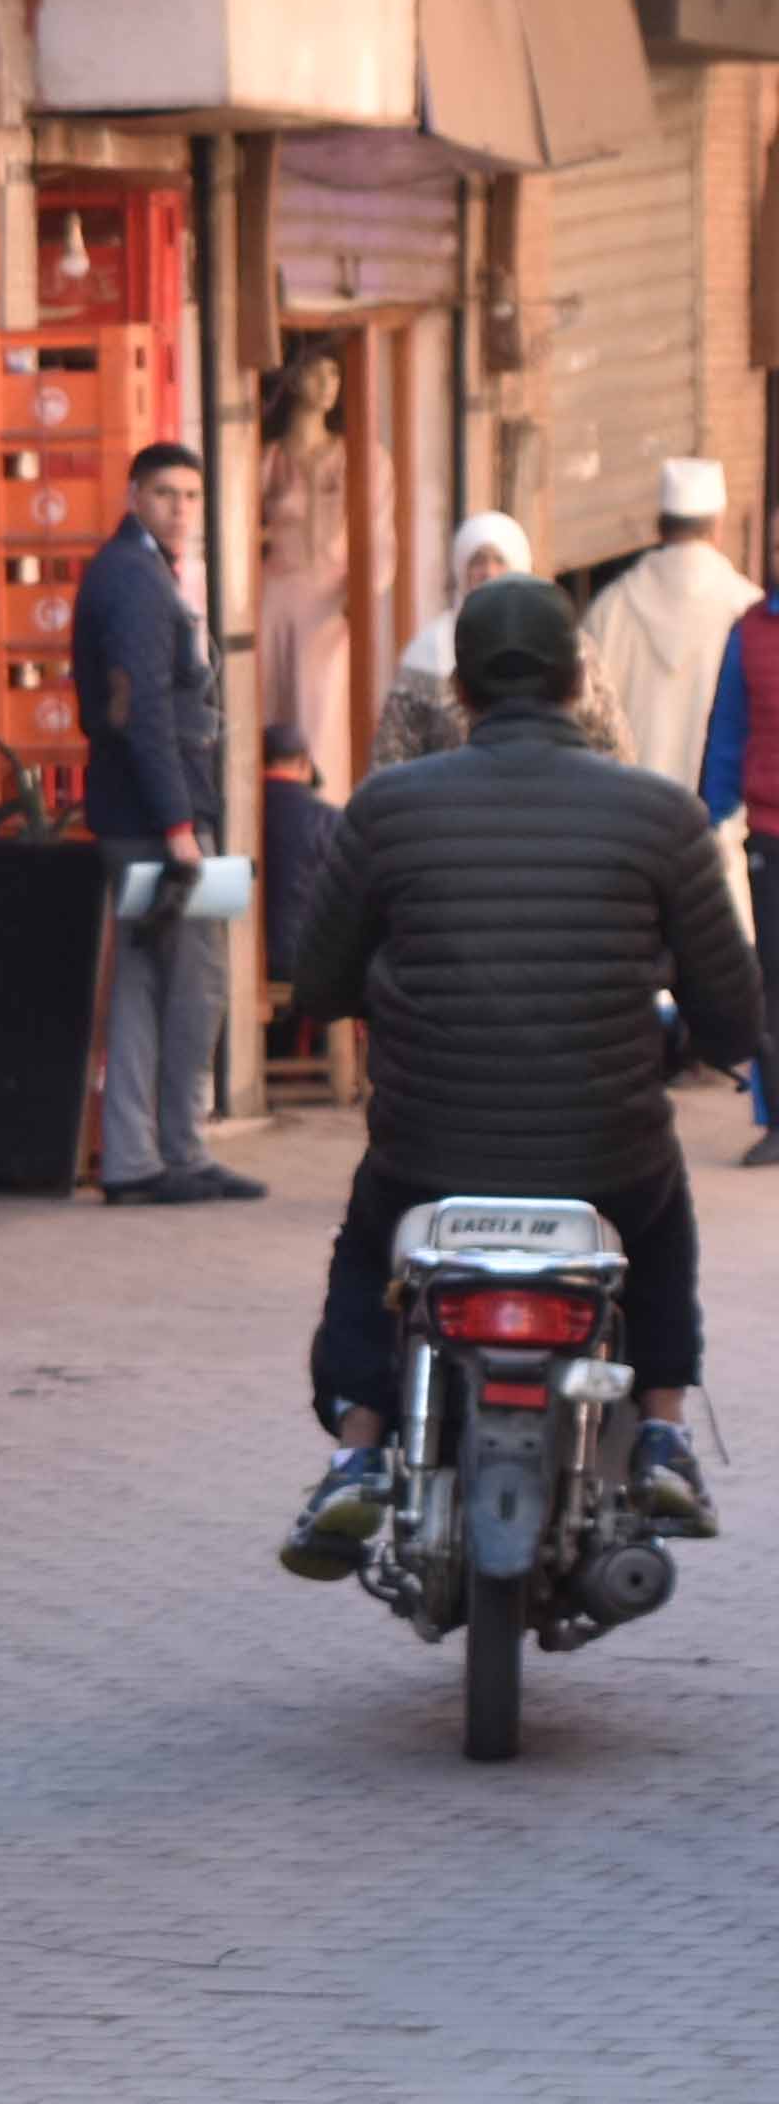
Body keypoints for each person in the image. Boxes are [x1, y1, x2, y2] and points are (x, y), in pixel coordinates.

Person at [275, 577, 761, 1574]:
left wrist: (390, 991)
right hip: (608, 1156)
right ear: (582, 680)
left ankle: (360, 1455)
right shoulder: (661, 816)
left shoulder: (388, 809)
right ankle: (663, 1427)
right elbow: (737, 1014)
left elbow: (317, 979)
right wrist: (704, 1039)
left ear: (458, 687)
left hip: (428, 1152)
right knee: (661, 1223)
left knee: (371, 1250)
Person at [73, 437, 257, 1205]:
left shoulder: (140, 572)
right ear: (134, 498)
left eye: (190, 496)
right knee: (198, 977)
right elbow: (141, 711)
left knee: (151, 977)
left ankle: (142, 1158)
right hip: (162, 817)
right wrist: (181, 827)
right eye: (164, 495)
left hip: (149, 810)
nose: (180, 510)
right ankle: (173, 1152)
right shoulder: (136, 581)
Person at [583, 458, 761, 792]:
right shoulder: (748, 608)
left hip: (631, 819)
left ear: (659, 527)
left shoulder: (611, 607)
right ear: (717, 528)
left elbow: (583, 721)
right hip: (717, 829)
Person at [373, 511, 561, 772]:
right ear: (462, 569)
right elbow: (391, 754)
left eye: (499, 560)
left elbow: (604, 738)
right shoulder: (428, 651)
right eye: (478, 561)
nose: (488, 571)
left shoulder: (556, 640)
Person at [700, 575, 779, 1168]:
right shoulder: (751, 632)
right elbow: (729, 732)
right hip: (770, 836)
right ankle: (777, 1118)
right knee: (773, 980)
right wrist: (706, 818)